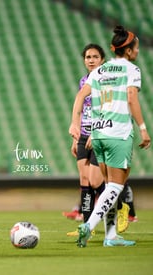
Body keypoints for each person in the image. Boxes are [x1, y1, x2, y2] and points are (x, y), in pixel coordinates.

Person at [69, 26, 151, 247]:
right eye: (136, 48)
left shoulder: (99, 72)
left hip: (97, 134)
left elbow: (79, 96)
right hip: (118, 133)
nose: (138, 51)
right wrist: (143, 127)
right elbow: (132, 99)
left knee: (108, 185)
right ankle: (88, 226)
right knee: (116, 185)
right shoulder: (131, 70)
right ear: (129, 50)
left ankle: (111, 235)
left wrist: (75, 123)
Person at [65, 44, 106, 236]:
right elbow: (81, 109)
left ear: (102, 60)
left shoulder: (106, 81)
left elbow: (106, 109)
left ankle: (117, 203)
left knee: (96, 180)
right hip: (82, 135)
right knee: (84, 179)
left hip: (99, 134)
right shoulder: (84, 81)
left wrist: (95, 133)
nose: (91, 60)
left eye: (95, 57)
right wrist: (76, 137)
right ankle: (86, 227)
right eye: (88, 57)